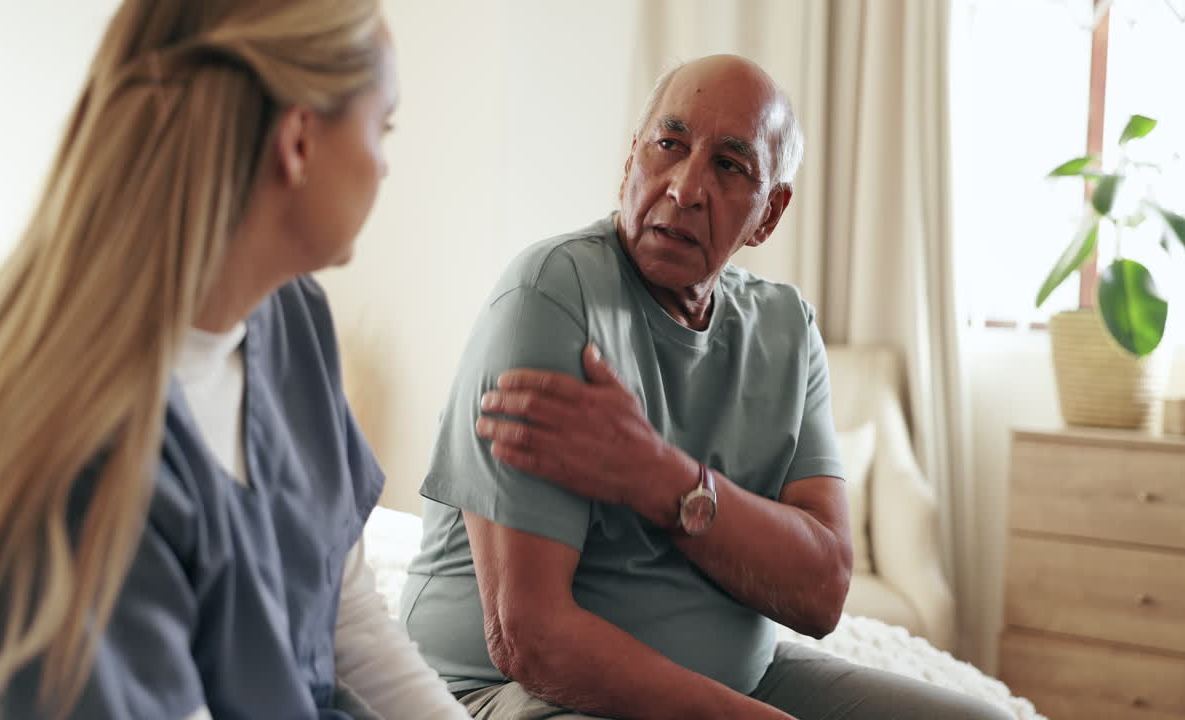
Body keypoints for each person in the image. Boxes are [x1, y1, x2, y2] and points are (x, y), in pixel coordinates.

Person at [401, 55, 1009, 720]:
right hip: (516, 693)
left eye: (729, 165)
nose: (685, 188)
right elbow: (529, 639)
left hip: (731, 680)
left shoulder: (786, 327)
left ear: (769, 213)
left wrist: (659, 478)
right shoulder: (551, 294)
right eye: (669, 145)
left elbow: (822, 592)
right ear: (631, 159)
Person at [0, 1, 469, 719]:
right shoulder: (86, 468)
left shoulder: (292, 318)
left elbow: (345, 619)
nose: (384, 164)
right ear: (300, 140)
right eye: (384, 127)